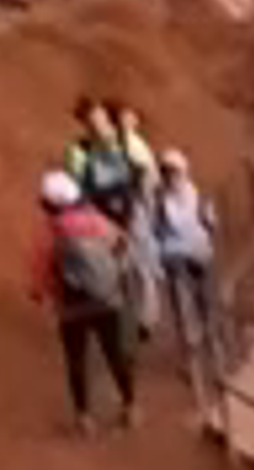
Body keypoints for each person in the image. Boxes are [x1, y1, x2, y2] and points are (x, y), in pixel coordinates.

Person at [33, 165, 139, 429]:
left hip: (71, 306)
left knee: (76, 360)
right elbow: (122, 244)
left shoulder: (51, 231)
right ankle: (130, 406)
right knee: (115, 354)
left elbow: (42, 270)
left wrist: (41, 294)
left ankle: (84, 416)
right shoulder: (95, 219)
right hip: (107, 299)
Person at [151, 144, 222, 411]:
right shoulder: (185, 196)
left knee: (197, 308)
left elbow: (157, 230)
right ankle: (201, 364)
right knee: (191, 310)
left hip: (189, 256)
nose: (171, 176)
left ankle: (207, 361)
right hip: (184, 257)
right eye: (168, 172)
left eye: (173, 172)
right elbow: (210, 223)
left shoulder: (178, 197)